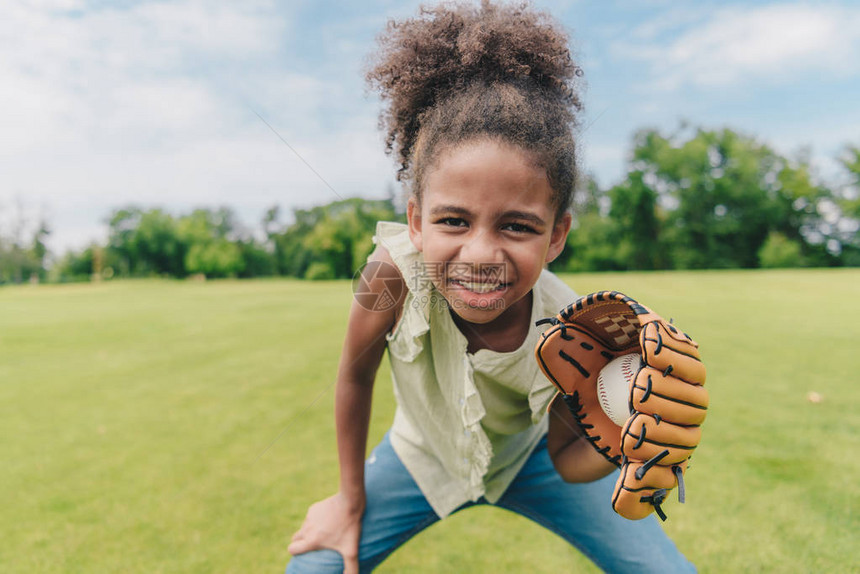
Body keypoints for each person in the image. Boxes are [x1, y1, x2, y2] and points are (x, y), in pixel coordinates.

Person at [286, 2, 696, 572]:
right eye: (453, 220)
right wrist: (347, 499)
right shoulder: (386, 279)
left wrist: (627, 439)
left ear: (556, 235)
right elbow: (355, 375)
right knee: (316, 566)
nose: (479, 254)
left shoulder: (573, 328)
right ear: (415, 221)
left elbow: (564, 457)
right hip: (419, 457)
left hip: (527, 461)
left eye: (517, 225)